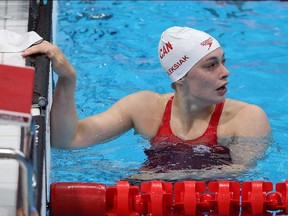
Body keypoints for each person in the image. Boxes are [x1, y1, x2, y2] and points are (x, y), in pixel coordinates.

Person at [22, 26, 271, 180]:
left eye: (223, 61)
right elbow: (67, 140)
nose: (225, 72)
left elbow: (241, 173)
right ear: (180, 76)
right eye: (211, 65)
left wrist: (162, 177)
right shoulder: (143, 108)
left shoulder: (247, 117)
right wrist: (67, 79)